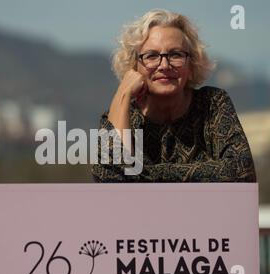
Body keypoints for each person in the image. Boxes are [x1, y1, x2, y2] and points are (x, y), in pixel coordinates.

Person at [91, 9, 257, 182]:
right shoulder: (122, 117)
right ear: (134, 67)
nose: (164, 65)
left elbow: (240, 170)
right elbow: (108, 178)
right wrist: (123, 93)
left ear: (191, 64)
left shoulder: (213, 104)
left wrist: (144, 175)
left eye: (175, 54)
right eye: (152, 56)